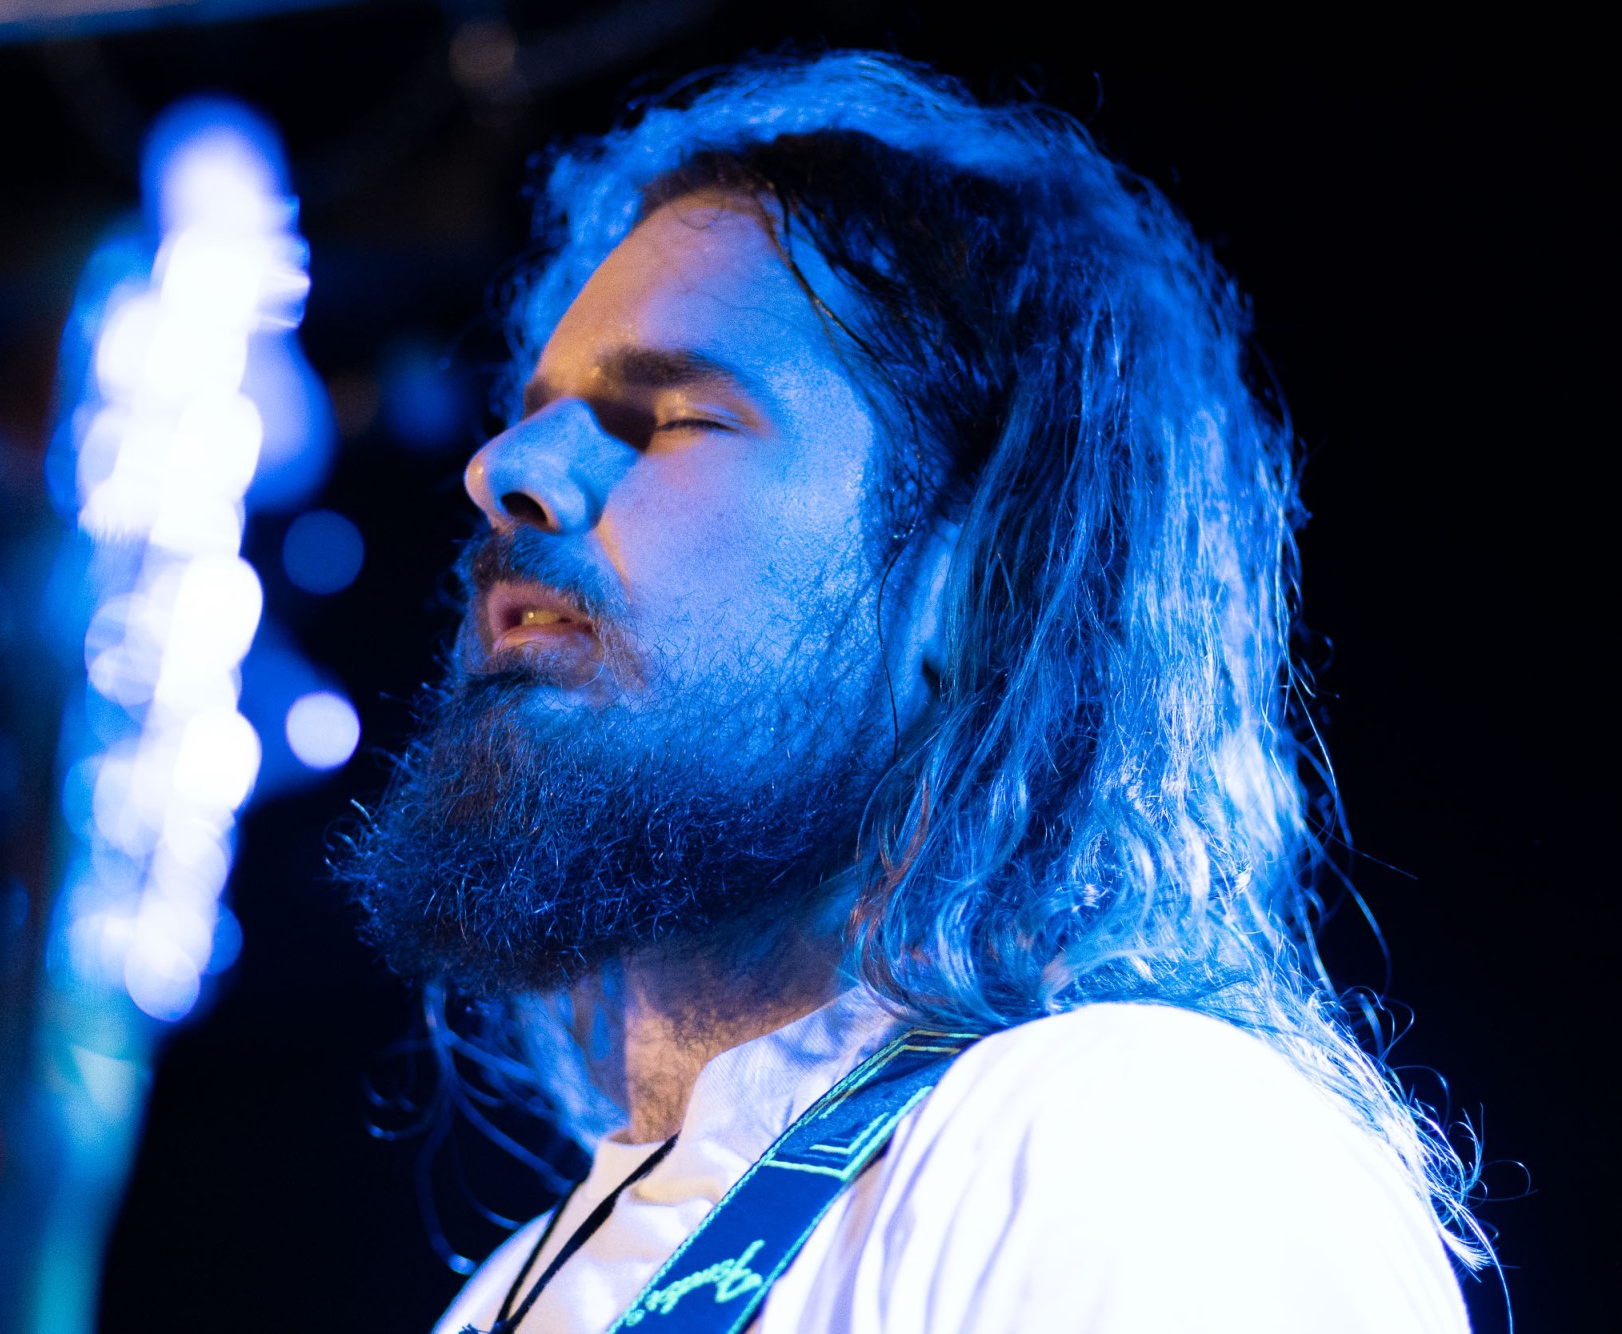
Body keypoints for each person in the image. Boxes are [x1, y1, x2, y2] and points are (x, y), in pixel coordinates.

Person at [337, 50, 1485, 1333]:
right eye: (529, 413)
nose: (503, 469)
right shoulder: (508, 1293)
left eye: (671, 417)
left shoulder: (1129, 1143)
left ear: (976, 582)